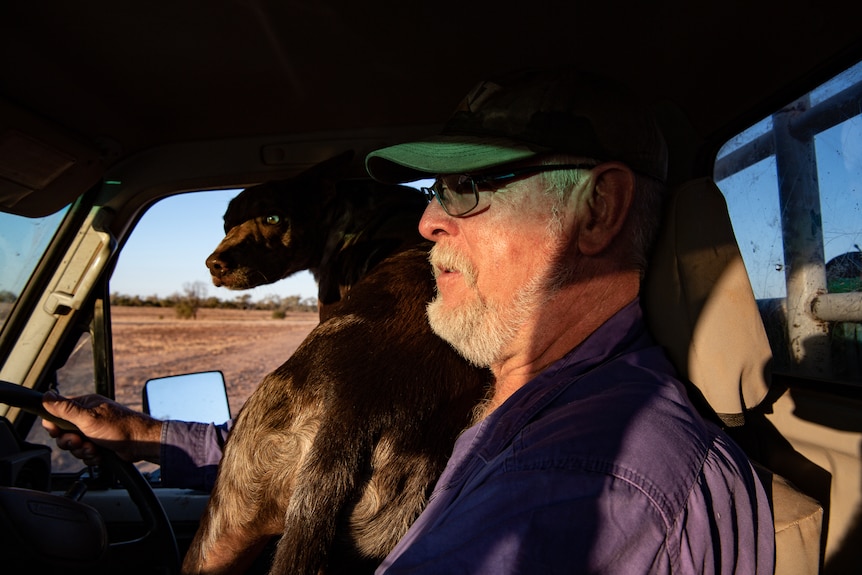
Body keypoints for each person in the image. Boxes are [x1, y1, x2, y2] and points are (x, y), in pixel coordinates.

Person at [45, 67, 775, 572]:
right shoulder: (517, 397)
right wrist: (143, 433)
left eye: (467, 188)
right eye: (434, 188)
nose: (426, 221)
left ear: (597, 211)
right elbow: (326, 448)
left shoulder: (592, 484)